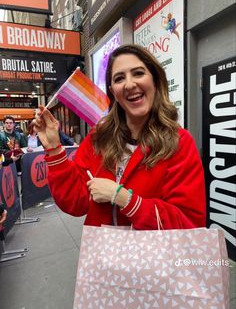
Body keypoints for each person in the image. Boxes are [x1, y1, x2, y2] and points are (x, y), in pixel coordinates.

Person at [34, 44, 206, 230]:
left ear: (155, 80)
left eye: (138, 73)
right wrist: (54, 150)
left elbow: (189, 222)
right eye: (119, 78)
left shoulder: (179, 142)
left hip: (153, 257)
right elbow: (75, 203)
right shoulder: (98, 137)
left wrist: (125, 199)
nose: (130, 84)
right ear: (113, 91)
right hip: (103, 255)